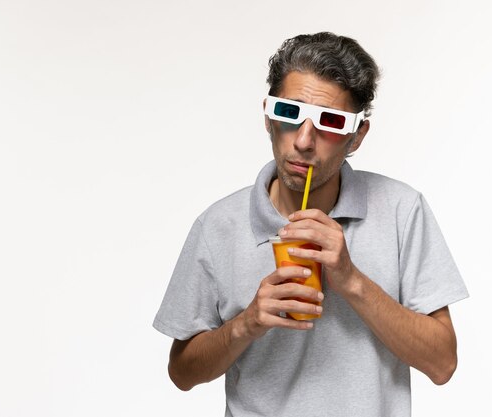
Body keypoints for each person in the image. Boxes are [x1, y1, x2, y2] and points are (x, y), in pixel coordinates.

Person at [153, 32, 469, 417]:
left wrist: (352, 280)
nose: (304, 141)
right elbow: (182, 372)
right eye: (289, 113)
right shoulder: (218, 225)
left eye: (330, 122)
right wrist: (246, 323)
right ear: (268, 117)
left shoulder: (403, 210)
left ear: (356, 136)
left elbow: (442, 364)